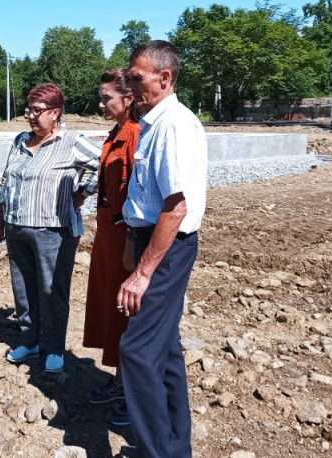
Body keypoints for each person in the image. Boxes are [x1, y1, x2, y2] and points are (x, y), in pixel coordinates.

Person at [117, 40, 208, 458]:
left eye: (137, 78)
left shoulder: (174, 126)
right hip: (152, 243)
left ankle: (155, 452)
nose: (129, 86)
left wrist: (142, 272)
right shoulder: (155, 122)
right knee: (164, 349)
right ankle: (174, 448)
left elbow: (175, 206)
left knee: (136, 353)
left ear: (164, 78)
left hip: (166, 249)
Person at [0, 83, 101, 374]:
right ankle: (30, 341)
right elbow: (7, 180)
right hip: (17, 227)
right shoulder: (19, 141)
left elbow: (103, 164)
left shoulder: (72, 141)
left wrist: (80, 196)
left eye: (38, 111)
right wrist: (0, 217)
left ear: (55, 113)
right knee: (24, 289)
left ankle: (54, 347)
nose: (31, 116)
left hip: (54, 231)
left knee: (52, 291)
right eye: (29, 109)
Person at [82, 68, 141, 425]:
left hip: (124, 237)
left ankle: (131, 391)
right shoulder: (115, 133)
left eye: (107, 98)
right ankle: (119, 382)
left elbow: (139, 195)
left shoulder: (135, 136)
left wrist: (132, 243)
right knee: (110, 305)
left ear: (128, 98)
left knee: (126, 311)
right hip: (108, 233)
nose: (101, 103)